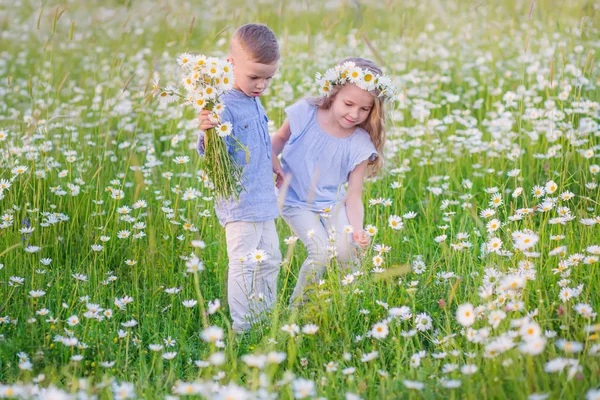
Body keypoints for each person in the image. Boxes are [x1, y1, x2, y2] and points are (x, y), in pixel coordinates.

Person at [271, 57, 394, 306]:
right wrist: (271, 160)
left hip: (330, 202)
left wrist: (357, 229)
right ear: (333, 93)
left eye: (364, 109)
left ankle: (342, 302)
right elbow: (280, 138)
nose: (354, 114)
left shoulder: (359, 143)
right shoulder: (305, 113)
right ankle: (297, 310)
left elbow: (354, 194)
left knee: (349, 251)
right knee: (320, 252)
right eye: (348, 103)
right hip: (294, 199)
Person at [197, 23, 282, 332]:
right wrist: (208, 132)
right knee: (244, 264)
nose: (261, 85)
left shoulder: (253, 99)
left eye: (268, 78)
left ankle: (265, 316)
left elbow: (259, 139)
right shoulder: (223, 104)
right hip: (240, 202)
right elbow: (211, 154)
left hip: (264, 199)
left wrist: (274, 162)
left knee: (270, 260)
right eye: (254, 76)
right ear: (231, 64)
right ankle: (243, 326)